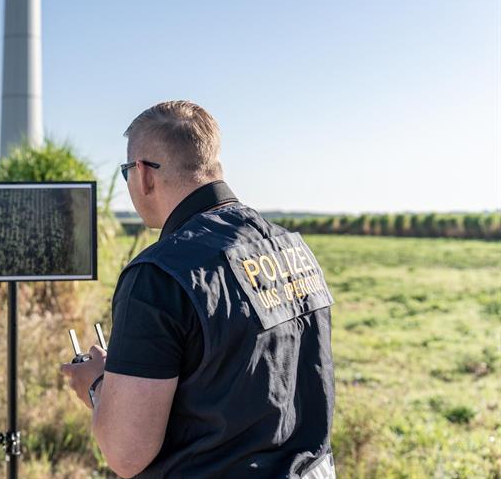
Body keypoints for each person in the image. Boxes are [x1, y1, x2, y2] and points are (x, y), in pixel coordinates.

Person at [61, 101, 336, 478]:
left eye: (127, 172)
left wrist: (96, 385)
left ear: (143, 174)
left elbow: (127, 453)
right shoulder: (290, 247)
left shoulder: (157, 276)